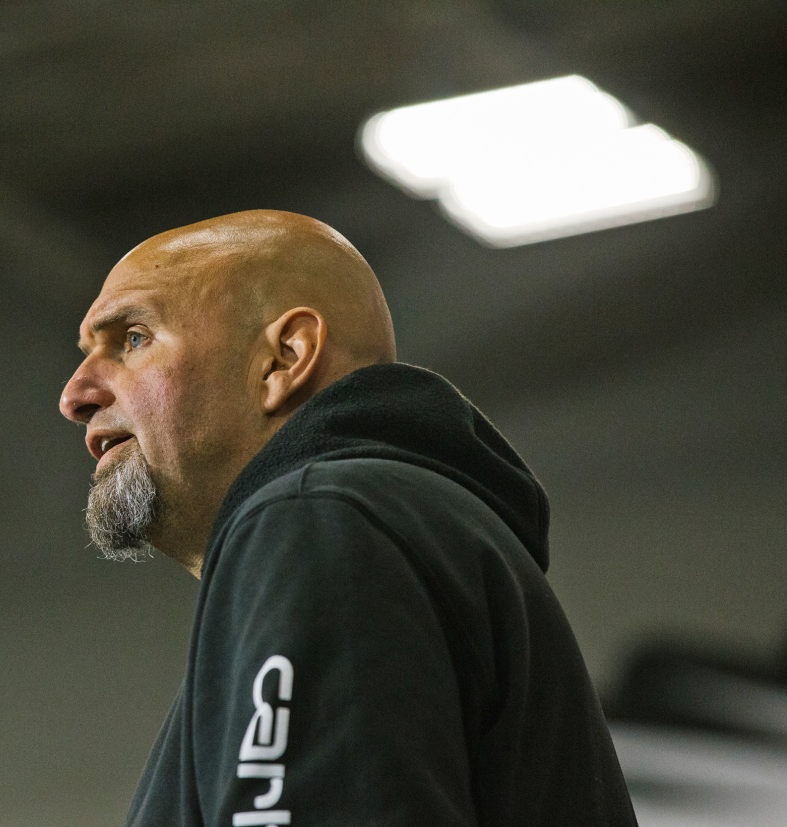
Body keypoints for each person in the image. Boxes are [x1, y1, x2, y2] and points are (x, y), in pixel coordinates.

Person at [58, 210, 637, 826]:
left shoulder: (315, 522)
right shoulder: (384, 525)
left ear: (284, 359)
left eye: (133, 339)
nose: (75, 396)